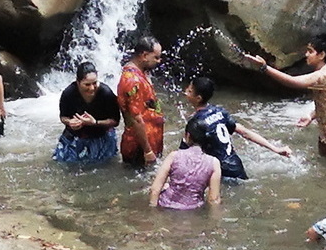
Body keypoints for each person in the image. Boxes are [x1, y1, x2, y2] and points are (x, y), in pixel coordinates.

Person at [243, 34, 326, 160]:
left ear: (321, 55)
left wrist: (264, 68)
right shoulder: (325, 72)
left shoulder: (325, 74)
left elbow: (293, 82)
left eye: (310, 51)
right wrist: (311, 116)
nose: (306, 55)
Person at [181, 77, 291, 179]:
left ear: (198, 98)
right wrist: (275, 149)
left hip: (220, 172)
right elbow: (245, 132)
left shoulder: (195, 123)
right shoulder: (220, 112)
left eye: (190, 91)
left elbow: (183, 155)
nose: (186, 91)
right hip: (236, 166)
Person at [53, 62, 120, 164]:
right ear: (78, 82)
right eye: (87, 84)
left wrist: (95, 122)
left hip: (101, 136)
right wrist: (70, 122)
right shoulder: (68, 93)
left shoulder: (106, 93)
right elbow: (63, 117)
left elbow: (115, 121)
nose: (92, 88)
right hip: (75, 135)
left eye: (95, 83)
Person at [149, 118, 222, 210]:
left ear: (187, 136)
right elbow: (213, 199)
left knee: (166, 185)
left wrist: (152, 211)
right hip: (193, 209)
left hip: (166, 205)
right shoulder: (214, 163)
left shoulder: (174, 156)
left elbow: (155, 190)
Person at [117, 35, 164, 166]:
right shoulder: (132, 80)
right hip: (139, 148)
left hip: (148, 141)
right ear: (144, 55)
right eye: (156, 57)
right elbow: (136, 119)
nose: (159, 61)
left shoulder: (141, 73)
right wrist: (148, 151)